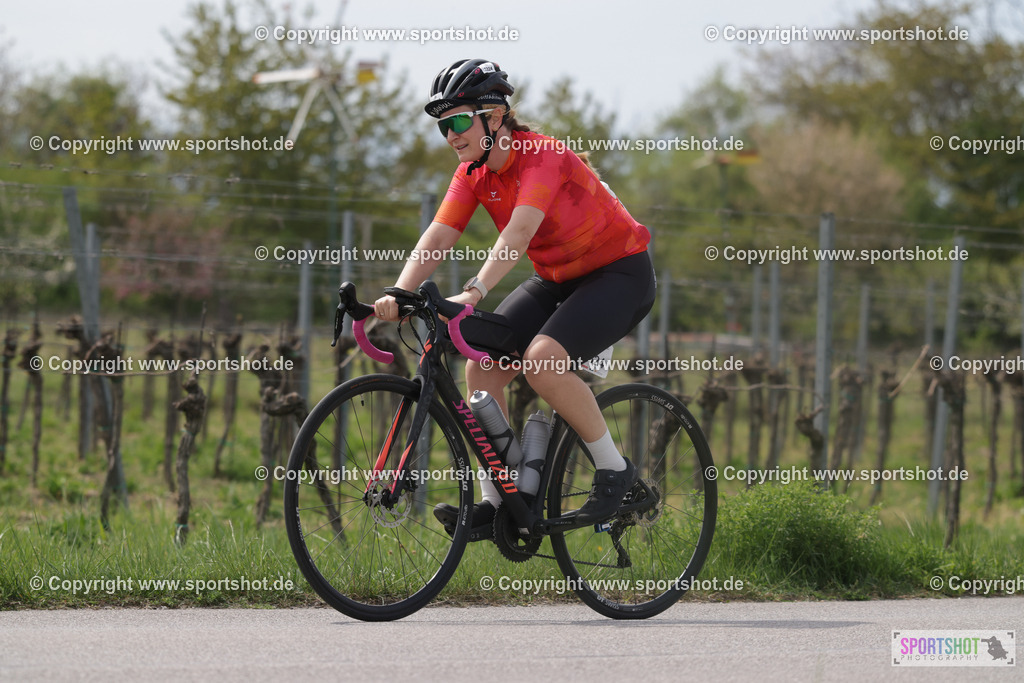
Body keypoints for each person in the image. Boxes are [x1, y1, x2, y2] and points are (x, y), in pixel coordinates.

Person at [374, 58, 655, 537]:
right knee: (480, 363)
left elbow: (520, 232)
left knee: (543, 361)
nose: (452, 135)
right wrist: (397, 292)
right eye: (444, 126)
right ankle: (497, 498)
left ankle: (615, 470)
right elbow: (438, 237)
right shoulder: (473, 173)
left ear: (495, 115)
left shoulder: (541, 156)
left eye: (460, 120)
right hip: (558, 277)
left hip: (619, 274)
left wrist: (475, 291)